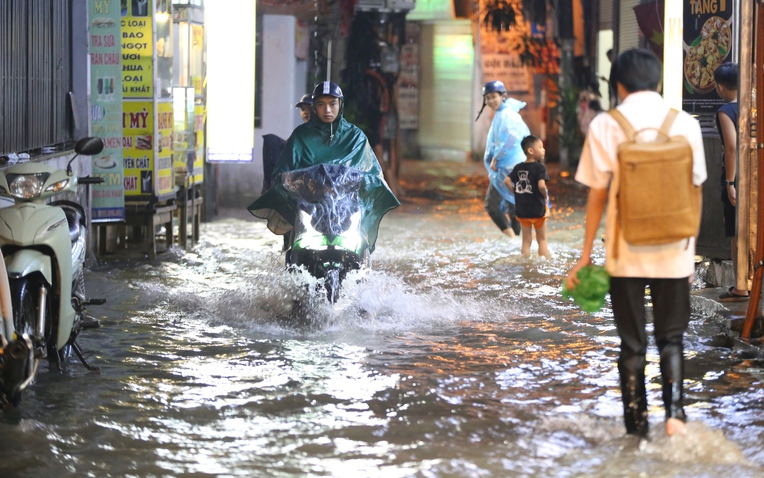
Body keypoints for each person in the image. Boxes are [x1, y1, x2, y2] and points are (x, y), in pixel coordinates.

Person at [565, 49, 707, 438]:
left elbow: (597, 195)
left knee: (632, 345)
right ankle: (675, 417)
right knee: (672, 339)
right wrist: (689, 252)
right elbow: (695, 191)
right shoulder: (686, 125)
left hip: (624, 254)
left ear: (619, 86)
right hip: (675, 253)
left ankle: (636, 429)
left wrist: (585, 255)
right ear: (659, 83)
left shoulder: (606, 125)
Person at [248, 81, 399, 254]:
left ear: (340, 105)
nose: (327, 110)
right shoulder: (300, 137)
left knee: (361, 250)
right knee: (294, 252)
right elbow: (281, 174)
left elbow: (373, 175)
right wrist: (294, 181)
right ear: (315, 107)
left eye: (332, 104)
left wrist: (359, 180)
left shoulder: (356, 137)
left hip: (347, 208)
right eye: (321, 104)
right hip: (308, 207)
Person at [477, 80, 531, 238]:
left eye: (493, 96)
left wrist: (496, 158)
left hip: (508, 167)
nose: (490, 101)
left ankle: (513, 240)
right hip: (515, 167)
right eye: (487, 98)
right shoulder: (504, 112)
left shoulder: (507, 114)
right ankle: (518, 245)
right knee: (513, 206)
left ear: (503, 95)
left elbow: (511, 138)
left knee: (491, 205)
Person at [714, 63, 747, 301]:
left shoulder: (726, 111)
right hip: (755, 174)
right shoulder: (753, 107)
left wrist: (730, 182)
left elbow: (732, 146)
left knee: (737, 233)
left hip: (738, 177)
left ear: (720, 86)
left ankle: (741, 287)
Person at [505, 135, 550, 258]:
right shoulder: (540, 168)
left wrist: (515, 192)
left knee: (526, 241)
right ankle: (544, 263)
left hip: (522, 210)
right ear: (530, 151)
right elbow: (541, 186)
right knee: (542, 240)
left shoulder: (518, 167)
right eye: (540, 147)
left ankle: (525, 264)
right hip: (537, 210)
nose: (543, 149)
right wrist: (545, 196)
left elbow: (506, 181)